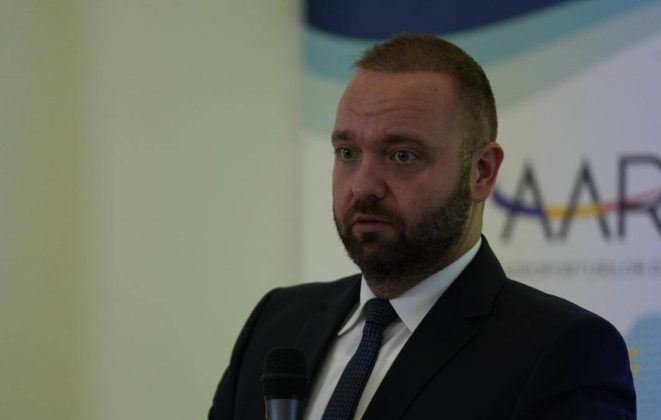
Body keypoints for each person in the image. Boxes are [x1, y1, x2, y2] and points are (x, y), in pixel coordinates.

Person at [209, 34, 636, 419]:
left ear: (482, 171)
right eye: (347, 152)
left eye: (402, 155)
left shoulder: (564, 352)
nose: (363, 186)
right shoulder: (277, 322)